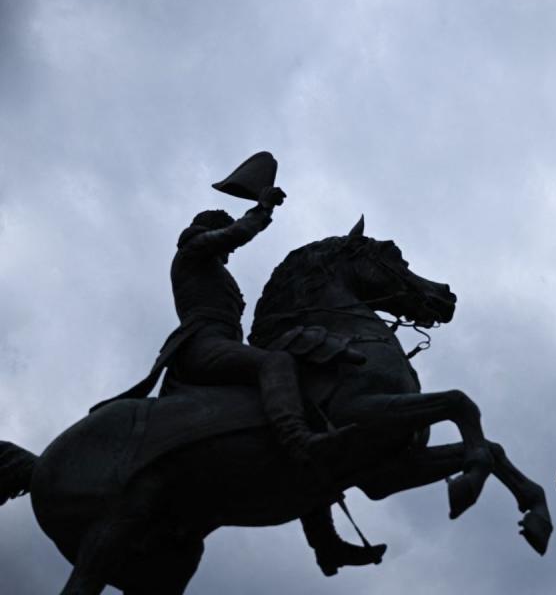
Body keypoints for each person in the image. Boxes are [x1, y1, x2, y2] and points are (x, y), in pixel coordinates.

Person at [93, 158, 384, 573]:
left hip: (223, 345)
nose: (227, 248)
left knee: (305, 398)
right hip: (202, 347)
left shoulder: (215, 269)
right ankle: (297, 438)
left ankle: (326, 543)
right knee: (277, 363)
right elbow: (237, 233)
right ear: (207, 230)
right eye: (220, 235)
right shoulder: (193, 251)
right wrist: (261, 208)